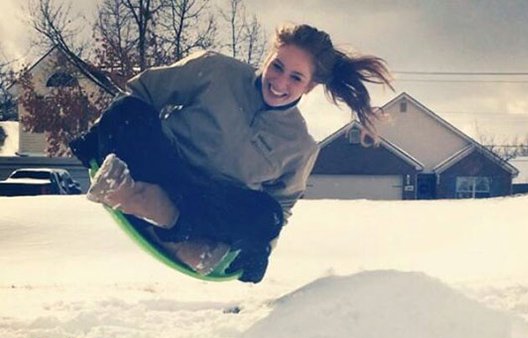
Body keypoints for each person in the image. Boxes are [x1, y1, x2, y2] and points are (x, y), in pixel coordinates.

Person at [70, 23, 393, 282]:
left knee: (266, 219)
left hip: (210, 201)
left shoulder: (300, 146)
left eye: (296, 77)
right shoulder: (216, 71)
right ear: (268, 57)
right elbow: (143, 92)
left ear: (309, 87)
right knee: (128, 110)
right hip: (162, 162)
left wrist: (260, 251)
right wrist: (101, 136)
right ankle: (177, 232)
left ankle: (148, 203)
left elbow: (280, 206)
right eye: (277, 66)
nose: (280, 82)